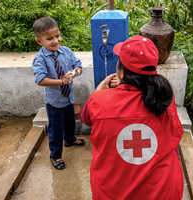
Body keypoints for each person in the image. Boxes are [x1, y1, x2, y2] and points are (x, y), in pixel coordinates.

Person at [80, 35, 184, 199]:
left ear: (121, 72)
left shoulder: (99, 101)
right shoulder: (164, 97)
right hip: (163, 191)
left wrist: (100, 89)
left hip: (113, 192)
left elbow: (85, 117)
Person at [32, 17, 85, 170]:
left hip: (68, 99)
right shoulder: (40, 59)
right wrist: (61, 82)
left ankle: (69, 140)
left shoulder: (66, 51)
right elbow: (40, 79)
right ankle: (55, 156)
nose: (55, 41)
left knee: (70, 123)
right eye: (49, 38)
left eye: (57, 36)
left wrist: (77, 71)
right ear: (39, 41)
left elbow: (77, 63)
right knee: (55, 130)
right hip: (54, 102)